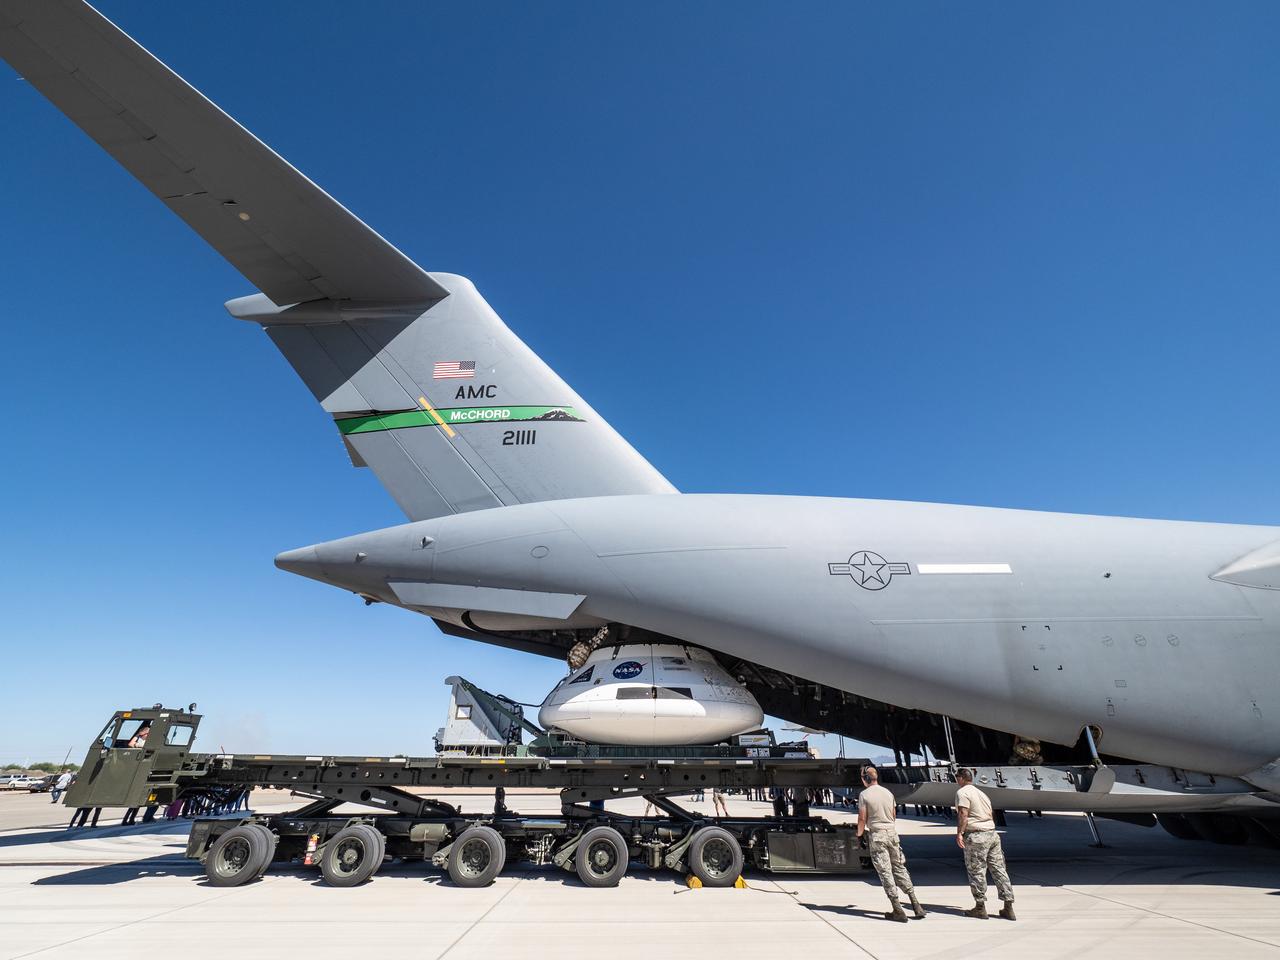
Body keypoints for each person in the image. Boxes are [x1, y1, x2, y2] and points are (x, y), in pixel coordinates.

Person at [856, 766, 924, 922]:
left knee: (885, 871)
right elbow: (893, 815)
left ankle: (897, 909)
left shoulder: (864, 795)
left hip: (877, 835)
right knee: (899, 867)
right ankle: (915, 904)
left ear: (865, 779)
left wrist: (859, 836)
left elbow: (862, 818)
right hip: (892, 834)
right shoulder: (888, 793)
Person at [955, 768, 1015, 920]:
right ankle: (1008, 906)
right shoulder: (982, 793)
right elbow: (991, 813)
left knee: (976, 871)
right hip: (992, 834)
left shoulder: (963, 793)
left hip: (976, 835)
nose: (956, 779)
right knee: (999, 869)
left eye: (957, 777)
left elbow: (963, 814)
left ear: (962, 778)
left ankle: (980, 907)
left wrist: (960, 833)